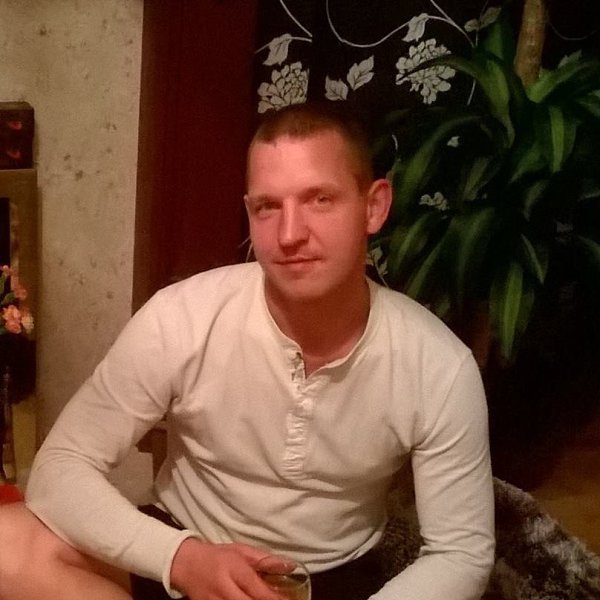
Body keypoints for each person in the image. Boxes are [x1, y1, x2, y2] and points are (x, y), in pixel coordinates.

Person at [0, 102, 494, 600]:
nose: (290, 234)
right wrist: (180, 558)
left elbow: (461, 553)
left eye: (320, 199)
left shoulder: (437, 365)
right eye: (267, 207)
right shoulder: (182, 316)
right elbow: (60, 467)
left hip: (328, 578)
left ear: (374, 207)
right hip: (187, 549)